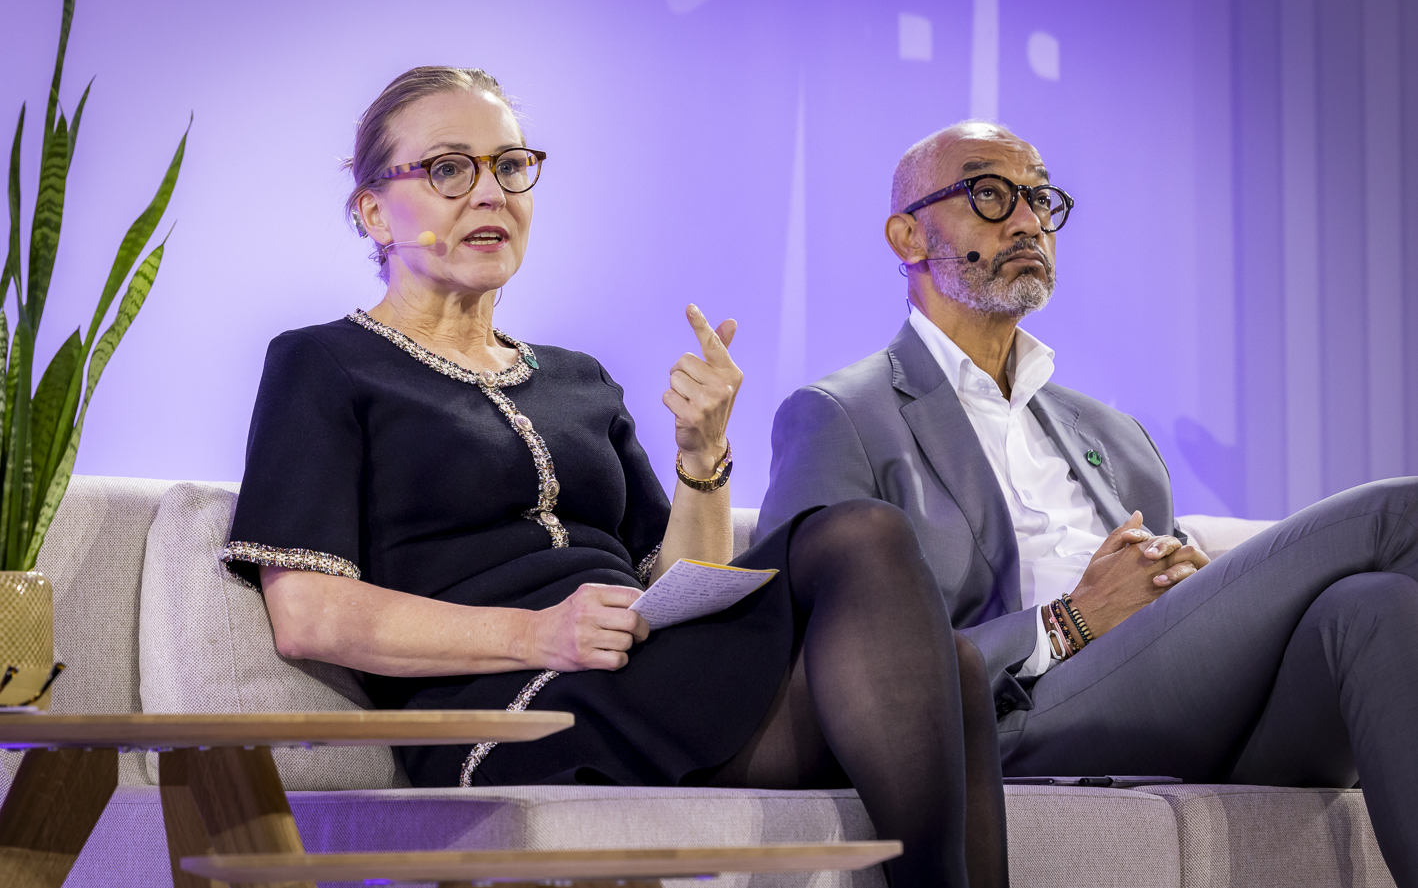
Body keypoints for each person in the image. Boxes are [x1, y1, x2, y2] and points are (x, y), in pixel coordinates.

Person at [221, 68, 1009, 887]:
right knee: (861, 532)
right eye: (449, 168)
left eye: (510, 166)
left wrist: (702, 457)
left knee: (953, 666)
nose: (490, 193)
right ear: (374, 212)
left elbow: (677, 583)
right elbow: (308, 614)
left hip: (643, 669)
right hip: (511, 711)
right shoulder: (324, 363)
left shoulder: (578, 377)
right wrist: (538, 633)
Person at [758, 120, 1418, 886]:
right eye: (990, 194)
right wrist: (1067, 622)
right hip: (1018, 717)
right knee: (1395, 518)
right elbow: (806, 660)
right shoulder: (842, 414)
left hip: (1181, 701)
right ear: (908, 236)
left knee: (1373, 608)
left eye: (1040, 198)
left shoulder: (1113, 433)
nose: (1028, 220)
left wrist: (1188, 585)